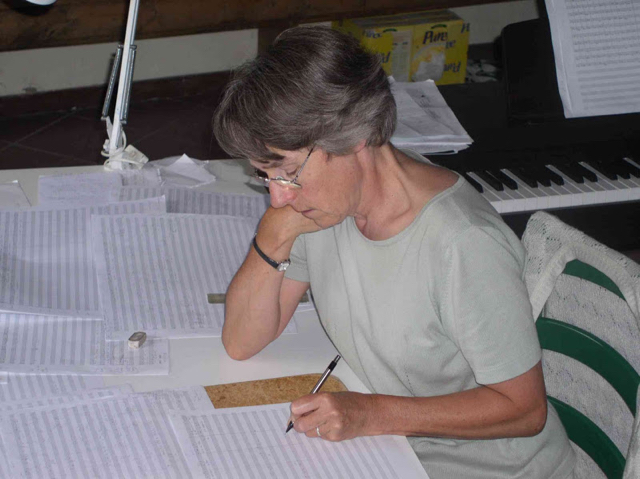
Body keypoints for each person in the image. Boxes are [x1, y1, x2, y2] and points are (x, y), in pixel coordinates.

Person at [213, 25, 576, 479]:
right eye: (265, 177)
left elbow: (525, 411)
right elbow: (242, 343)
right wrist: (272, 234)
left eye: (285, 172)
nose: (278, 196)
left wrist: (373, 414)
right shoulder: (322, 208)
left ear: (355, 136)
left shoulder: (463, 244)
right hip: (395, 455)